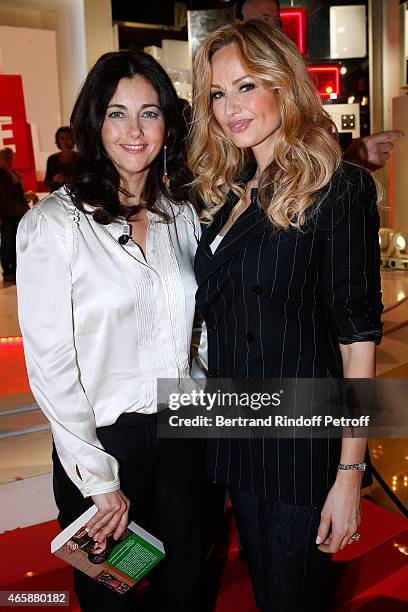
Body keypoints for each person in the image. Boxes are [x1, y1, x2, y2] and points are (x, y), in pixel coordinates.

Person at [189, 20, 383, 611]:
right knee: (268, 592)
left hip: (302, 441)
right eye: (218, 94)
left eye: (246, 86)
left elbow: (358, 339)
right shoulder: (225, 190)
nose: (231, 108)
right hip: (237, 430)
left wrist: (350, 473)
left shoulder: (337, 187)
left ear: (284, 85)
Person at [17, 50, 206, 612]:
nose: (134, 129)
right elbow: (51, 367)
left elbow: (197, 331)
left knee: (187, 584)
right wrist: (97, 477)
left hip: (183, 434)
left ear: (167, 124)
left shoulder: (180, 215)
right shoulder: (53, 225)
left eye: (149, 113)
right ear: (93, 123)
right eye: (117, 113)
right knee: (113, 595)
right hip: (104, 443)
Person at [230, 0, 403, 171]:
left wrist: (352, 160)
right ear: (239, 23)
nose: (274, 28)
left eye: (277, 20)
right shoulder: (227, 130)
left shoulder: (295, 88)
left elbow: (314, 173)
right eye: (265, 19)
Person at [0, 147, 28, 281]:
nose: (9, 159)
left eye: (10, 156)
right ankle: (7, 271)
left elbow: (20, 194)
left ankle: (17, 269)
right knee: (6, 243)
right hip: (6, 215)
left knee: (17, 242)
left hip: (18, 213)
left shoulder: (16, 174)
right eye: (6, 157)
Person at [44, 126, 77, 192]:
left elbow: (85, 181)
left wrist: (67, 179)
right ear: (58, 140)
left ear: (73, 139)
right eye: (62, 138)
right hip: (57, 198)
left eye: (68, 137)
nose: (65, 141)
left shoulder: (81, 158)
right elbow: (47, 183)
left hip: (76, 198)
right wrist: (54, 179)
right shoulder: (52, 159)